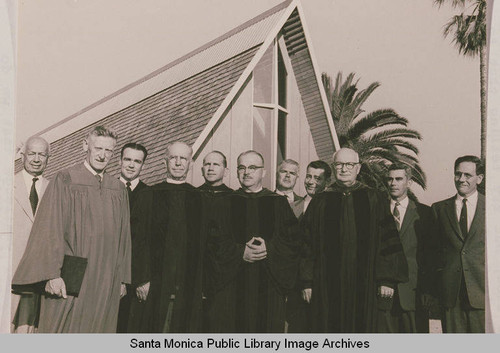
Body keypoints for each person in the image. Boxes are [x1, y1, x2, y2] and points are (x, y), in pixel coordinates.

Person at [12, 126, 131, 333]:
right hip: (72, 273)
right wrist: (52, 274)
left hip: (105, 276)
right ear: (86, 146)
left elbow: (124, 238)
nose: (103, 156)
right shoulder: (66, 179)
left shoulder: (118, 189)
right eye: (98, 148)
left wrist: (122, 278)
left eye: (109, 151)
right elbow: (50, 229)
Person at [300, 148, 408, 332]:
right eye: (339, 164)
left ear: (358, 168)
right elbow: (306, 244)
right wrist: (306, 282)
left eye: (349, 164)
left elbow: (387, 240)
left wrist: (386, 279)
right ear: (334, 168)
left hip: (365, 282)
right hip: (326, 284)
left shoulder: (373, 198)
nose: (344, 169)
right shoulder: (321, 201)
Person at [206, 150, 300, 332]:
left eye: (252, 167)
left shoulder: (278, 204)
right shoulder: (223, 203)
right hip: (231, 287)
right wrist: (240, 252)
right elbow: (212, 242)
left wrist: (270, 249)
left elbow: (293, 242)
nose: (246, 172)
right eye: (242, 167)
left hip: (269, 285)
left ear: (263, 172)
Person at [131, 141, 208, 332]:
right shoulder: (148, 195)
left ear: (191, 163)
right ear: (165, 162)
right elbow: (137, 240)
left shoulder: (200, 199)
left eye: (183, 158)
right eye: (173, 158)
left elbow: (206, 246)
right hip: (153, 282)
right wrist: (141, 279)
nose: (178, 163)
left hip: (189, 284)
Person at [377, 164, 437, 333]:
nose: (393, 183)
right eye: (389, 179)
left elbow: (430, 255)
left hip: (414, 293)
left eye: (398, 179)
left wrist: (428, 290)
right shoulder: (376, 211)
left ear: (409, 182)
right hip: (383, 294)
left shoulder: (424, 213)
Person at [431, 155, 485, 333]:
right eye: (458, 174)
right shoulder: (439, 209)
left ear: (479, 178)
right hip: (450, 296)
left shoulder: (493, 207)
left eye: (467, 175)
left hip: (483, 294)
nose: (461, 179)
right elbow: (434, 251)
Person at [286, 159, 331, 332]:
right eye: (308, 176)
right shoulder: (291, 207)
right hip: (293, 281)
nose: (311, 181)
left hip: (320, 280)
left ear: (327, 182)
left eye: (317, 178)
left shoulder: (332, 208)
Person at [11, 136, 50, 333]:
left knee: (28, 333)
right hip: (10, 274)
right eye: (32, 153)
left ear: (48, 158)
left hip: (38, 277)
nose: (36, 159)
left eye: (41, 154)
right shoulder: (8, 185)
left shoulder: (54, 189)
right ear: (23, 155)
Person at [116, 143, 149, 333]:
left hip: (136, 276)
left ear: (143, 165)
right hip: (107, 274)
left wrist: (144, 279)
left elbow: (150, 241)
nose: (131, 165)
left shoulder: (150, 194)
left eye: (137, 161)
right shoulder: (106, 189)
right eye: (127, 159)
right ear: (120, 160)